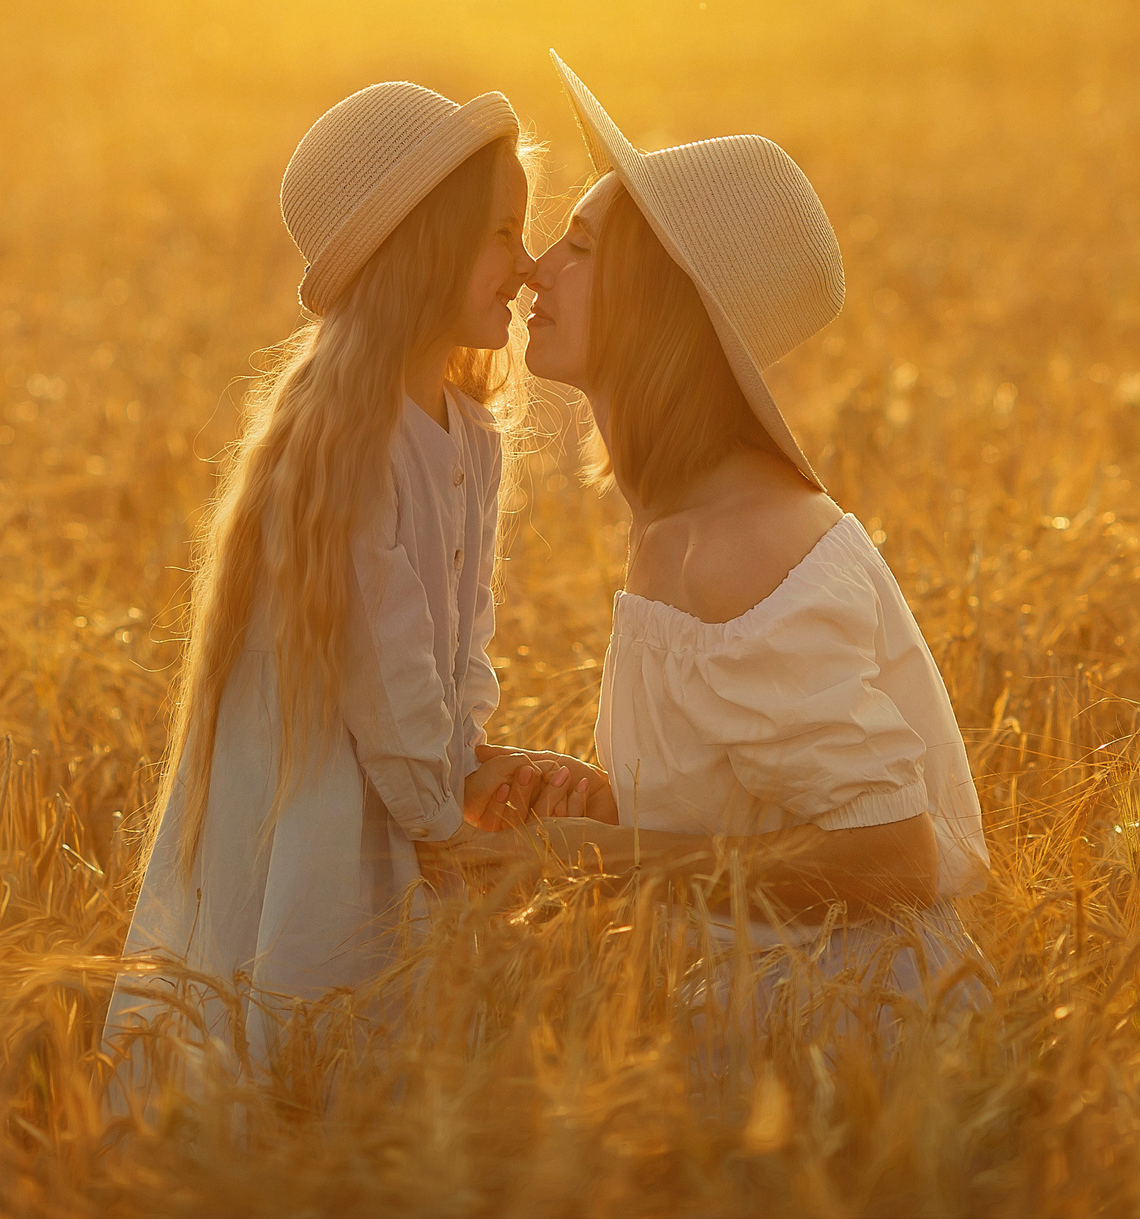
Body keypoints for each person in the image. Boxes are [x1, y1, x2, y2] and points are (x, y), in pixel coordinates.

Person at [436, 53, 991, 1033]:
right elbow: (762, 815)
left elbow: (891, 861)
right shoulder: (681, 522)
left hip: (844, 1036)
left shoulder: (737, 544)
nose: (534, 268)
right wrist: (603, 808)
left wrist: (600, 858)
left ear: (660, 300)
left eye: (578, 246)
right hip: (755, 1004)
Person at [100, 81, 600, 1082]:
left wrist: (469, 765)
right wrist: (440, 822)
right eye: (503, 234)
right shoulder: (352, 442)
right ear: (420, 252)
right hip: (332, 803)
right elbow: (383, 674)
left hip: (407, 787)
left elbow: (458, 648)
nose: (531, 264)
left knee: (386, 1055)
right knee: (302, 1025)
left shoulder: (470, 431)